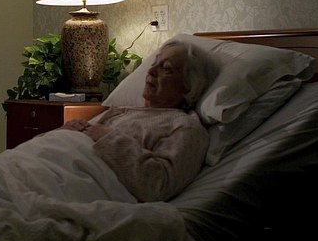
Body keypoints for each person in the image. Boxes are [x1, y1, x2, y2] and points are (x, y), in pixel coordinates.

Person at [60, 41, 215, 202]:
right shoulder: (121, 111)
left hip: (81, 183)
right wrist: (67, 131)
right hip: (58, 161)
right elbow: (77, 138)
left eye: (166, 68)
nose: (151, 71)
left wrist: (108, 138)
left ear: (188, 87)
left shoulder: (185, 127)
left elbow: (157, 185)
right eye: (154, 64)